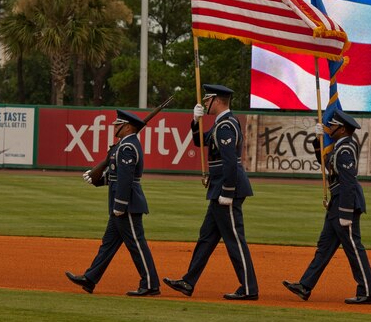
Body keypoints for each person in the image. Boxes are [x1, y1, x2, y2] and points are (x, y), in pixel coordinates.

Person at [163, 84, 259, 300]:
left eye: (208, 100)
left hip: (227, 190)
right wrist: (195, 122)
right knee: (206, 238)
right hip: (219, 189)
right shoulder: (220, 124)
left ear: (217, 100)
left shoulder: (226, 125)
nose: (205, 103)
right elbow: (199, 141)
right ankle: (188, 282)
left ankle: (249, 288)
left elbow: (229, 163)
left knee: (235, 239)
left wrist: (227, 191)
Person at [283, 110, 371, 304]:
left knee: (353, 248)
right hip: (337, 201)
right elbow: (329, 169)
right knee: (324, 247)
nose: (329, 128)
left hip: (345, 203)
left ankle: (368, 291)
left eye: (332, 126)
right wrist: (318, 143)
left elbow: (348, 181)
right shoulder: (340, 147)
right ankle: (305, 285)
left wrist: (345, 211)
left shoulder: (345, 149)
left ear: (342, 129)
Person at [65, 110, 160, 296]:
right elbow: (115, 176)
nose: (114, 127)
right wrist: (96, 179)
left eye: (118, 124)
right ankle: (90, 278)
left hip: (127, 204)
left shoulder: (128, 147)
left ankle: (150, 284)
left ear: (127, 126)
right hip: (121, 204)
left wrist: (119, 205)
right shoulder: (123, 145)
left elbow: (125, 179)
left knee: (136, 244)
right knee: (108, 244)